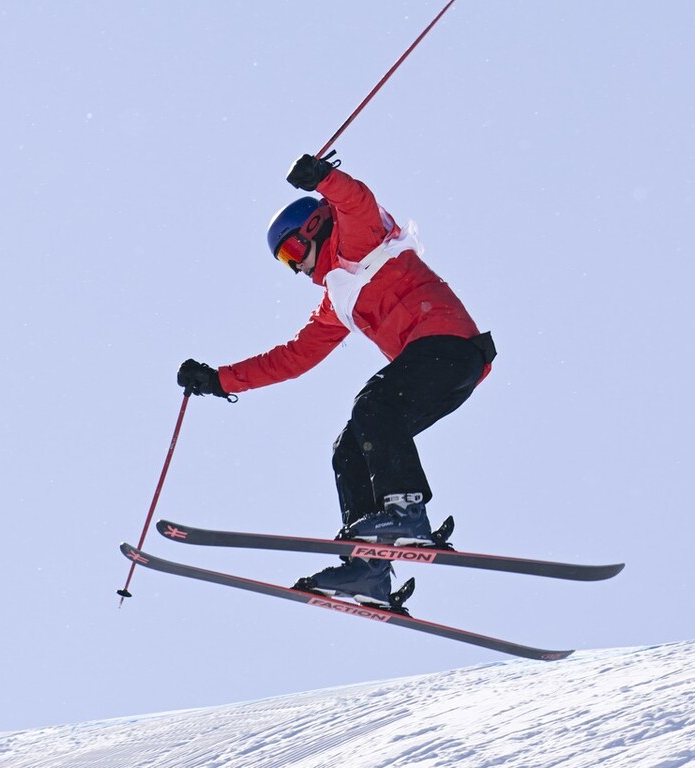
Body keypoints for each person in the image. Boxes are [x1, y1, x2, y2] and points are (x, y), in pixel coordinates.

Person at [177, 153, 495, 609]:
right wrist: (219, 379)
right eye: (285, 263)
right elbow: (293, 358)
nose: (296, 268)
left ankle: (405, 515)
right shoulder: (337, 298)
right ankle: (368, 569)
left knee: (373, 405)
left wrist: (322, 178)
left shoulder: (357, 239)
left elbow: (357, 201)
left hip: (449, 347)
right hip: (437, 375)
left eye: (292, 251)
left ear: (314, 227)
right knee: (349, 446)